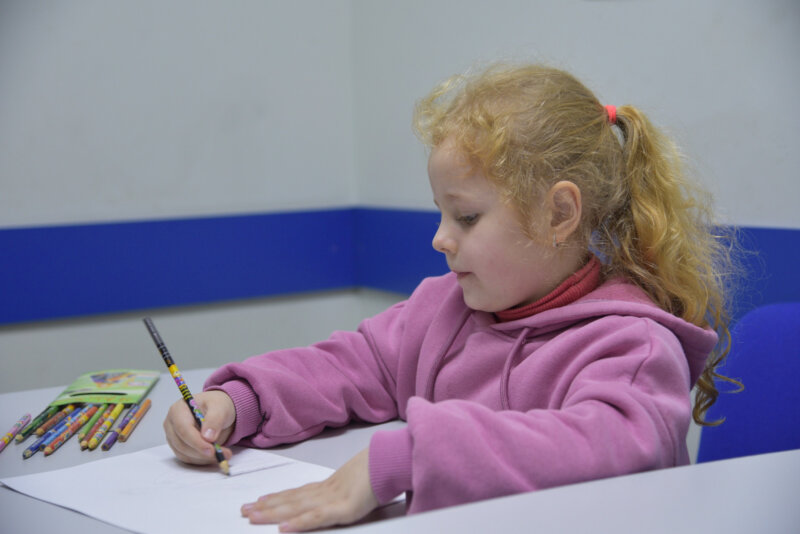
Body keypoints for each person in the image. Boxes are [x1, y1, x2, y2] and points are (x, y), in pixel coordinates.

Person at [163, 63, 738, 532]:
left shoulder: (633, 345)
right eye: (441, 213)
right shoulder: (444, 310)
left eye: (466, 216)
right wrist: (240, 401)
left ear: (558, 214)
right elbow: (350, 365)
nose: (440, 238)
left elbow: (609, 448)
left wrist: (410, 455)